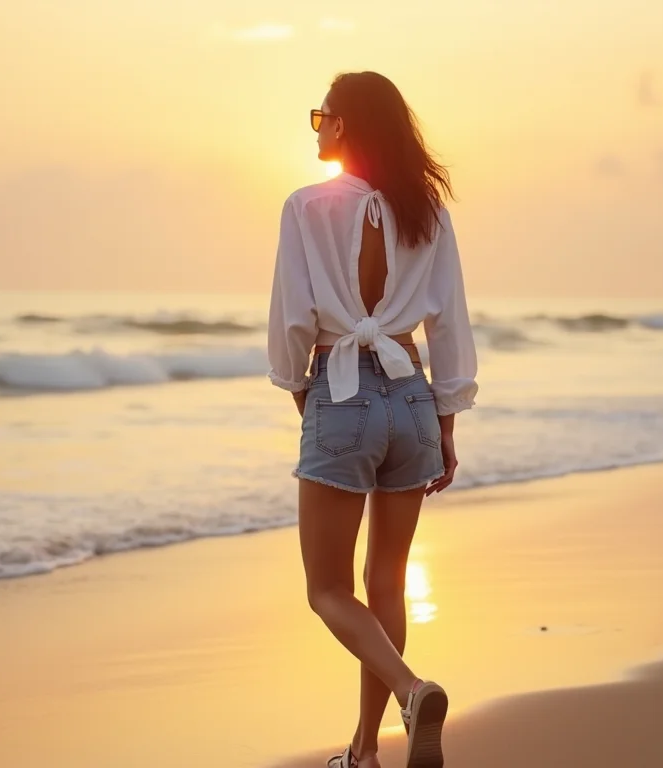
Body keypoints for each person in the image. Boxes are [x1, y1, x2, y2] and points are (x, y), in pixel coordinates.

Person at [267, 71, 478, 768]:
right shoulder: (427, 210)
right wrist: (446, 419)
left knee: (328, 589)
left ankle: (412, 692)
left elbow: (294, 318)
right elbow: (449, 323)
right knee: (386, 581)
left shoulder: (306, 206)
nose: (316, 126)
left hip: (344, 389)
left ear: (344, 124)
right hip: (412, 393)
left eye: (320, 115)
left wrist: (298, 388)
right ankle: (363, 753)